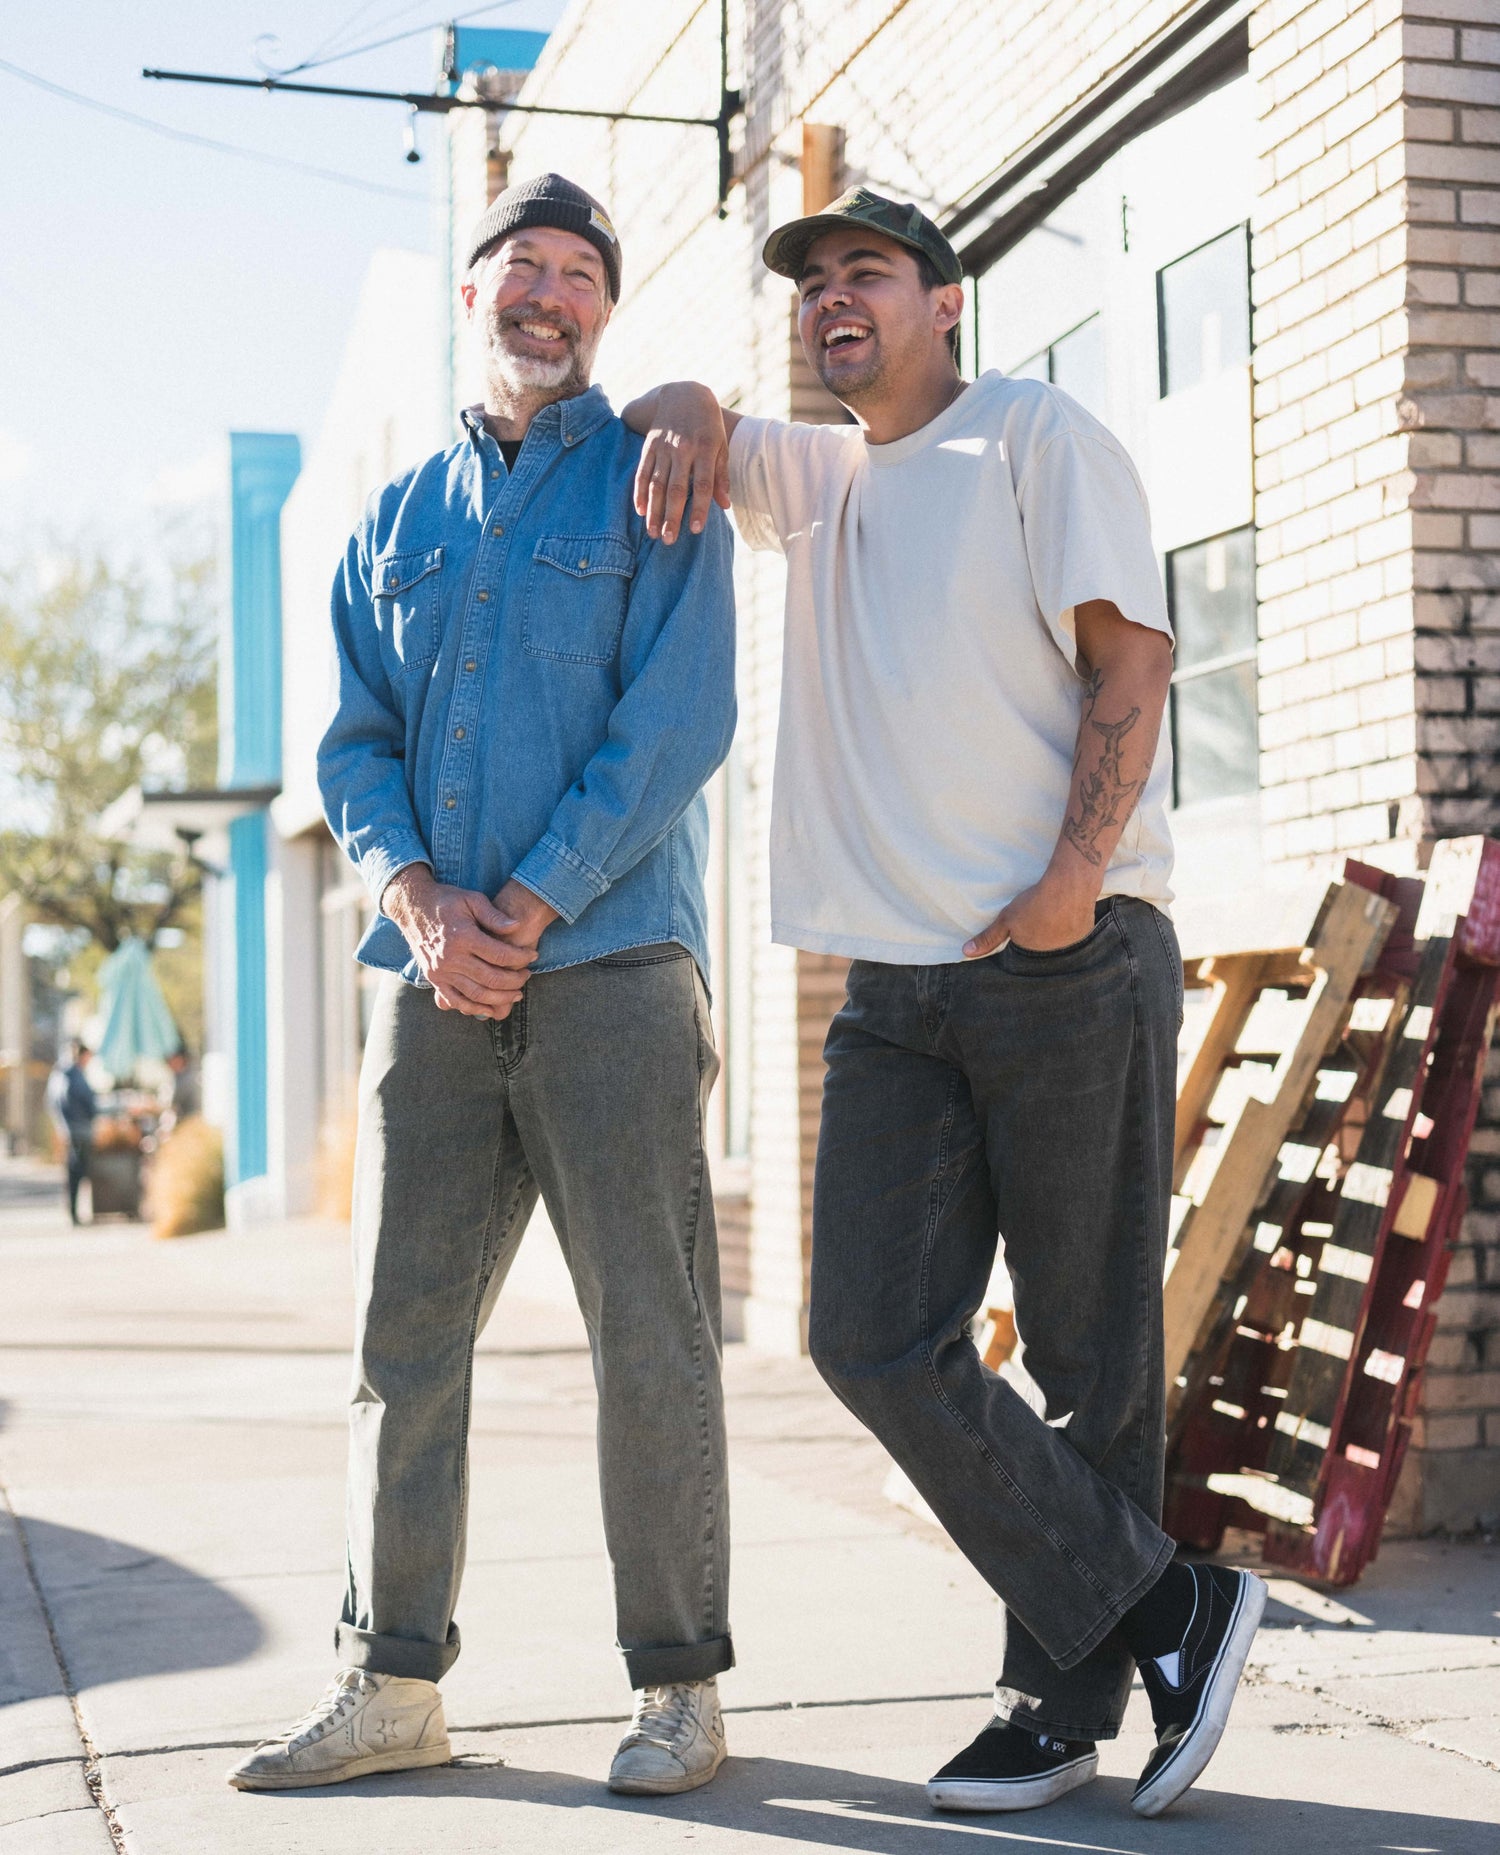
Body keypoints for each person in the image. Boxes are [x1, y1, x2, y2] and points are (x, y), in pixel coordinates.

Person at [622, 187, 1266, 1821]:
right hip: (894, 991)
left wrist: (1073, 873)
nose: (839, 299)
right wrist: (692, 397)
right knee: (869, 1337)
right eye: (817, 284)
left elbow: (1132, 665)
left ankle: (1055, 1712)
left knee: (1089, 1357)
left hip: (1062, 951)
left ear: (946, 302)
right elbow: (674, 413)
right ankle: (1173, 1607)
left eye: (872, 275)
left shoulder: (1033, 436)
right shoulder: (819, 476)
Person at [229, 174, 737, 1800]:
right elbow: (351, 743)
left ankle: (677, 1692)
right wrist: (415, 900)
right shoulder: (391, 526)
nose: (549, 293)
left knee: (649, 1340)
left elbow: (678, 721)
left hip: (613, 973)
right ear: (474, 294)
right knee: (403, 1343)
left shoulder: (660, 487)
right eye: (522, 265)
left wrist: (519, 903)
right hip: (430, 988)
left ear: (605, 311)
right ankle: (392, 1685)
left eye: (580, 274)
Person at [46, 1040, 97, 1226]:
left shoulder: (62, 1073)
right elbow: (77, 1100)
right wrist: (88, 1113)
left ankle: (74, 1211)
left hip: (71, 1128)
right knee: (77, 1171)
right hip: (78, 1129)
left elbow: (53, 1102)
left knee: (74, 1172)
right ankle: (74, 1213)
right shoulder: (72, 1075)